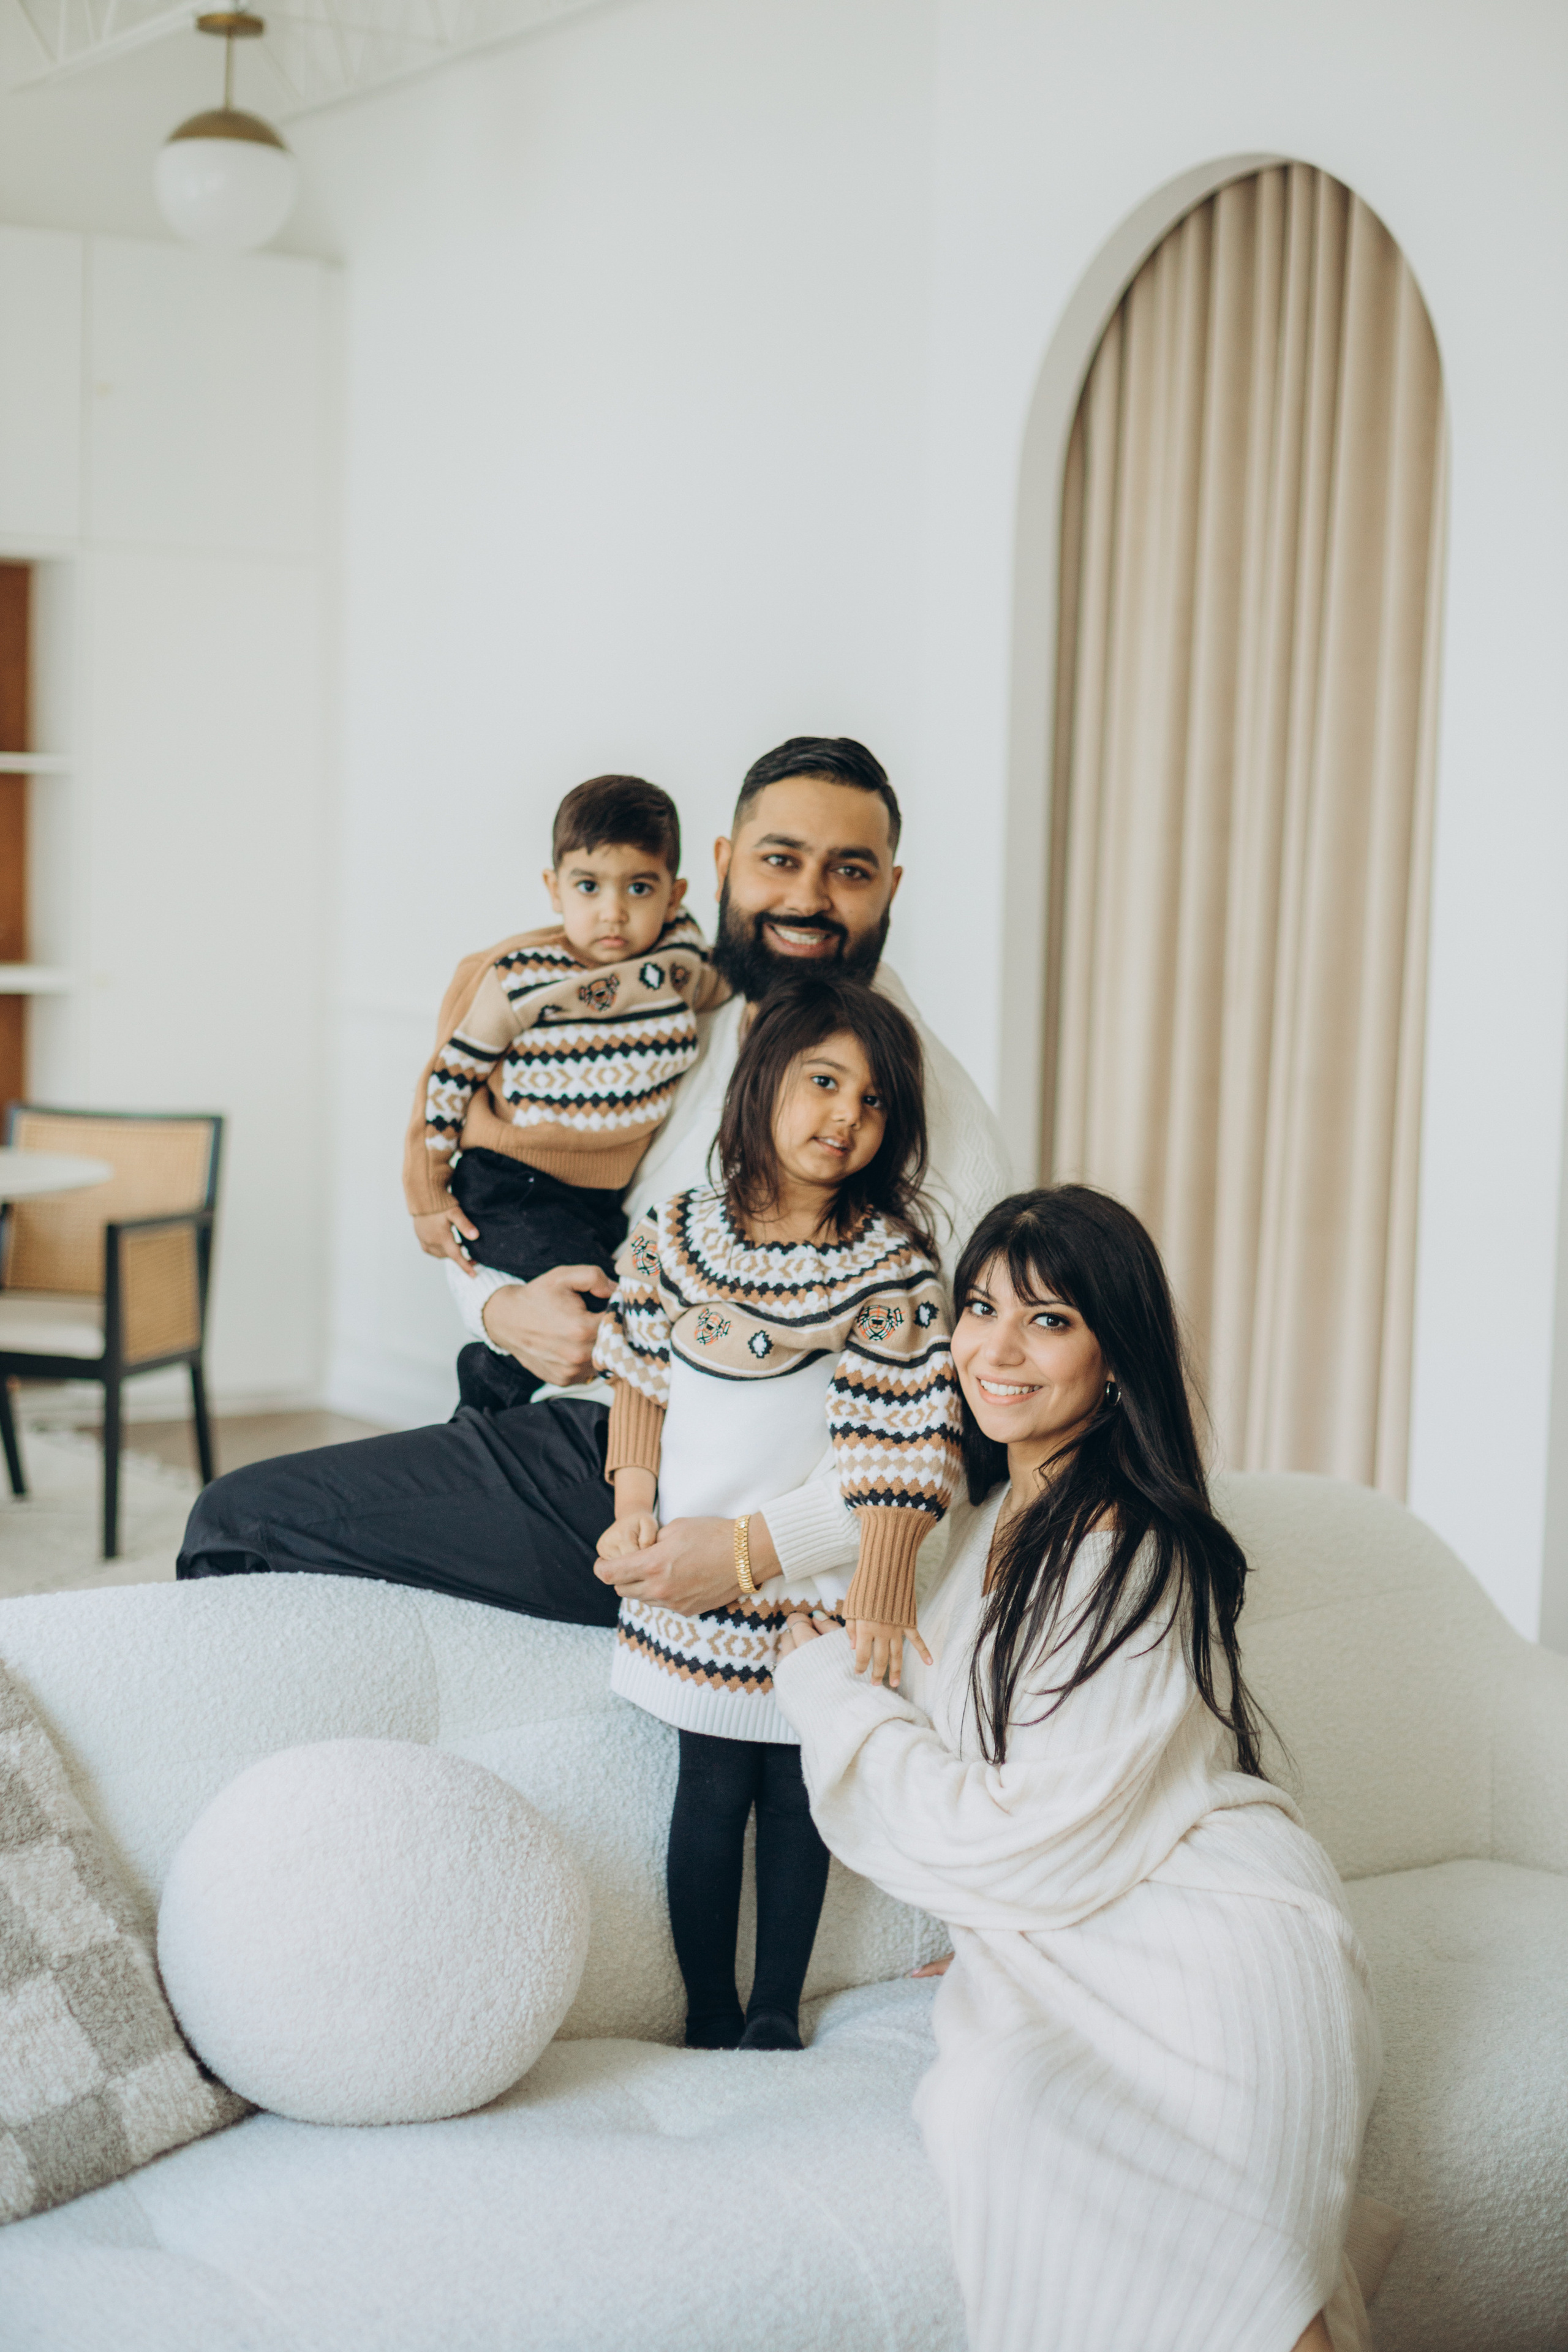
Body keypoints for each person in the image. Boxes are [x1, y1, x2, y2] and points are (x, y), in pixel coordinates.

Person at [176, 736, 1009, 1635]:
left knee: (238, 1523)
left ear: (891, 887)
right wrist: (497, 1310)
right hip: (593, 1416)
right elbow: (514, 1179)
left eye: (849, 870)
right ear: (724, 868)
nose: (807, 898)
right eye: (780, 860)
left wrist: (742, 1552)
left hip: (686, 1485)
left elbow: (959, 1431)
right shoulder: (685, 1026)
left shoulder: (930, 1129)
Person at [774, 1187, 1381, 2352]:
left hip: (1216, 1951)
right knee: (998, 2110)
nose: (995, 1349)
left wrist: (826, 1697)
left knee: (1229, 2277)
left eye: (1047, 1321)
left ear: (1115, 1358)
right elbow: (1029, 1791)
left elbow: (1025, 1829)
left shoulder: (1134, 1553)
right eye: (979, 1307)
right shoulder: (997, 1513)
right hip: (1074, 1926)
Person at [594, 970, 961, 2051]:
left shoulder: (888, 1269)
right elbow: (638, 1382)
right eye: (823, 1082)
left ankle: (772, 2014)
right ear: (760, 1084)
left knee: (799, 1800)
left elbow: (900, 1445)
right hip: (690, 1589)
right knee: (709, 1794)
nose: (846, 1116)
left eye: (874, 1101)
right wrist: (630, 1503)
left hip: (813, 1598)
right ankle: (709, 2011)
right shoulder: (677, 1235)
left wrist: (883, 1587)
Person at [402, 773, 725, 1415]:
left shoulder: (682, 964)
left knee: (615, 1305)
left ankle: (507, 1421)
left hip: (599, 1199)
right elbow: (447, 1080)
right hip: (510, 1183)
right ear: (554, 890)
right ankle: (480, 1418)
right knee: (588, 1305)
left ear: (675, 892)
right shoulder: (519, 977)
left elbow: (732, 989)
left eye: (639, 888)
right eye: (588, 887)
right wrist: (426, 1196)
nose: (613, 911)